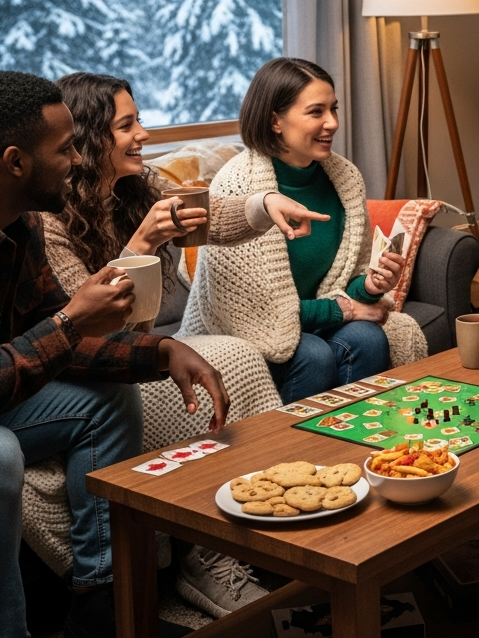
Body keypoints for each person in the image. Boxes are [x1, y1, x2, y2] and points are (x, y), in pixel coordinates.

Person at [0, 71, 231, 638]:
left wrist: (161, 349)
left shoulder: (18, 218)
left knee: (109, 401)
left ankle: (101, 606)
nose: (77, 159)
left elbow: (56, 338)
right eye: (65, 148)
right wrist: (69, 323)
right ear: (17, 161)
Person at [43, 72, 328, 620]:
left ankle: (261, 521)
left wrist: (265, 202)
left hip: (138, 350)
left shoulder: (137, 185)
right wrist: (140, 244)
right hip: (87, 367)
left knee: (238, 358)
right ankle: (206, 554)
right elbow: (87, 325)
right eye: (128, 125)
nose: (143, 134)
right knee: (213, 366)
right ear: (89, 138)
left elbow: (210, 219)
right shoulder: (49, 218)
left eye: (139, 120)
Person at [181, 58, 426, 400]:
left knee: (370, 338)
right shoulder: (236, 186)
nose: (332, 123)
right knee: (312, 354)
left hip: (311, 322)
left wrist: (369, 287)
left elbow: (345, 283)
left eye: (334, 109)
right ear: (275, 121)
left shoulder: (345, 179)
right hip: (246, 332)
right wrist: (347, 309)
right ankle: (290, 452)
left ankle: (360, 442)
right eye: (316, 112)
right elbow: (253, 315)